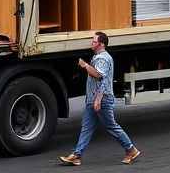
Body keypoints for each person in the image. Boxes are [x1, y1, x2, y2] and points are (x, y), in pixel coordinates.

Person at [59, 31, 141, 166]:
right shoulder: (99, 57)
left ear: (101, 44)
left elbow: (100, 77)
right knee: (87, 127)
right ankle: (76, 155)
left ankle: (131, 149)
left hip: (101, 100)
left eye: (94, 41)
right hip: (94, 99)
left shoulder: (102, 58)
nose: (92, 43)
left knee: (111, 126)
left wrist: (85, 66)